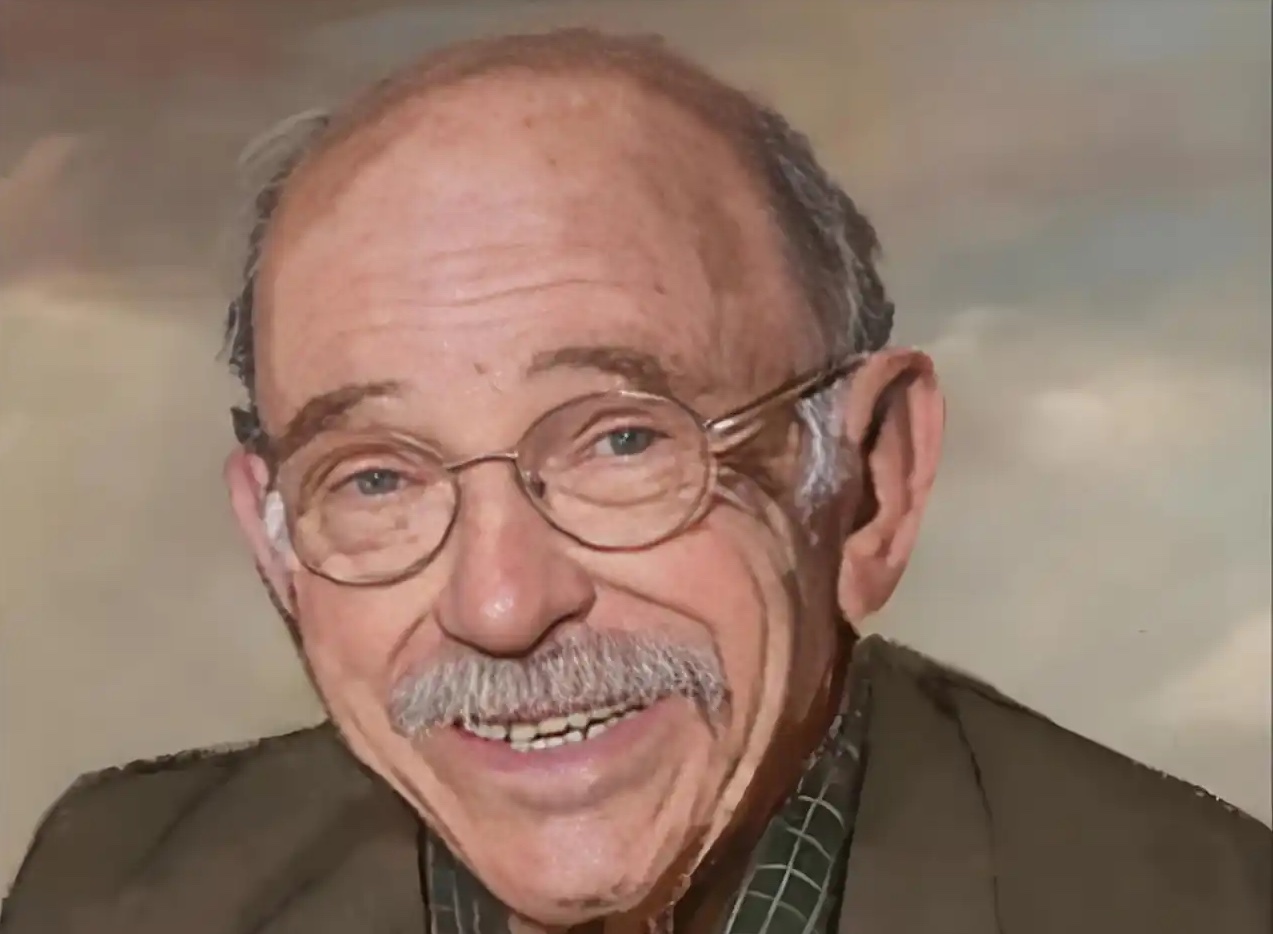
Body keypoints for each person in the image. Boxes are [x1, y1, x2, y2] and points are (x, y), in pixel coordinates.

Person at [2, 28, 1268, 934]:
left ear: (870, 480)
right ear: (276, 544)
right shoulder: (112, 892)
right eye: (376, 477)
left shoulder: (1199, 906)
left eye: (621, 441)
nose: (501, 606)